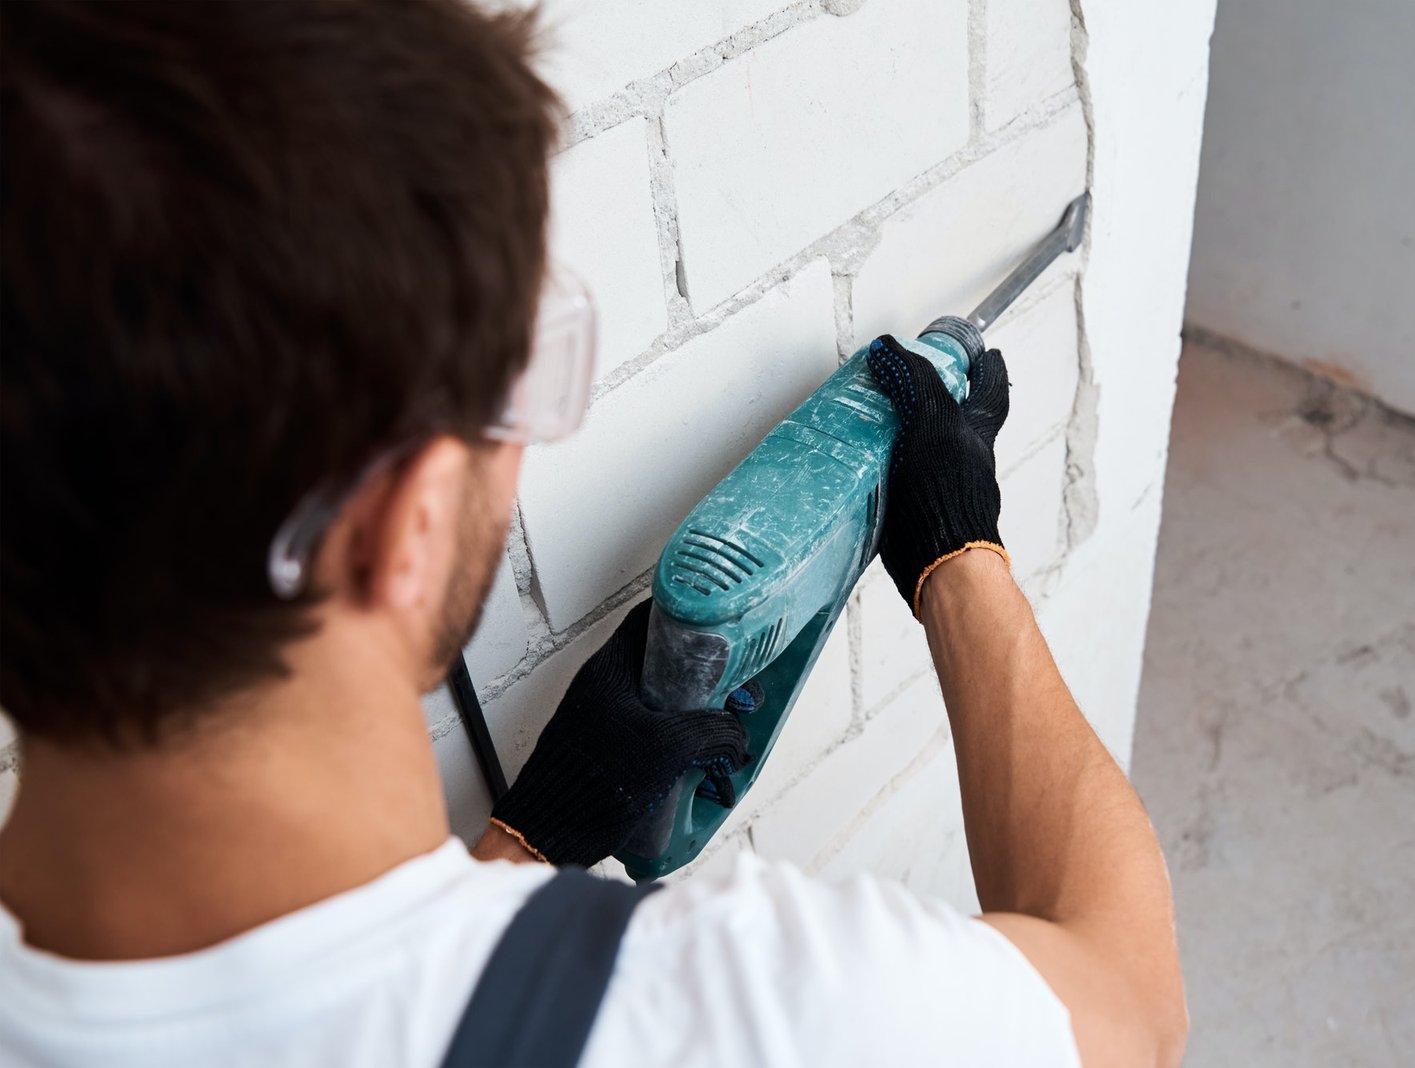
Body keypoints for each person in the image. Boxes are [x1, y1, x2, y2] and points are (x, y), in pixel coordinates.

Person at [0, 2, 1186, 1065]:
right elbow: (1130, 1004)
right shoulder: (762, 1018)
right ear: (401, 526)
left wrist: (523, 844)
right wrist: (956, 553)